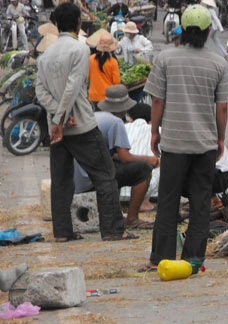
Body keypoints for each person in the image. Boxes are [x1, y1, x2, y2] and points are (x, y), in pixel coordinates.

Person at [35, 2, 137, 242]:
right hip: (80, 124)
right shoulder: (79, 50)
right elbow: (72, 87)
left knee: (61, 181)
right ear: (79, 22)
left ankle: (62, 233)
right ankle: (112, 230)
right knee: (105, 175)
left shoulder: (46, 55)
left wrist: (57, 117)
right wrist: (63, 116)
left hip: (57, 130)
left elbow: (40, 92)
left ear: (56, 26)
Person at [143, 4, 228, 271]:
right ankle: (194, 259)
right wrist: (220, 138)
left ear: (183, 29)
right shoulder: (218, 62)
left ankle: (161, 258)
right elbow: (223, 107)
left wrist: (154, 130)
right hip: (205, 144)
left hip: (174, 144)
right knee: (200, 202)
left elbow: (157, 99)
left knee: (168, 201)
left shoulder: (165, 58)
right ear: (207, 31)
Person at [74, 85, 160, 229]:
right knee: (144, 169)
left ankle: (118, 213)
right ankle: (132, 218)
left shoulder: (94, 117)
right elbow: (125, 157)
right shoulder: (115, 122)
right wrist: (150, 159)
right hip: (95, 179)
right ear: (123, 108)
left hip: (80, 178)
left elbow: (113, 155)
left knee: (117, 167)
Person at [122, 103, 160, 206]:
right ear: (151, 120)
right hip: (148, 191)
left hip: (119, 189)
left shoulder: (122, 127)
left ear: (130, 119)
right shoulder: (158, 131)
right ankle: (144, 203)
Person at [88, 34, 121, 111]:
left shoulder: (91, 59)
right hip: (108, 97)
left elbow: (88, 76)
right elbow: (117, 81)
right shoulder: (113, 62)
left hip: (93, 96)